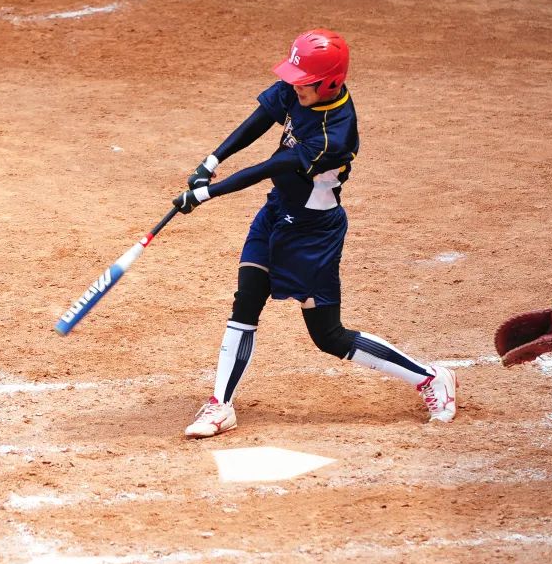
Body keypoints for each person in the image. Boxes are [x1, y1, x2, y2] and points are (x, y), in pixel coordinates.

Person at [172, 29, 457, 438]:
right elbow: (261, 119)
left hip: (312, 233)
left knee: (328, 336)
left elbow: (269, 167)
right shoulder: (301, 88)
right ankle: (221, 405)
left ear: (330, 83)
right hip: (278, 211)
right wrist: (211, 160)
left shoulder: (334, 135)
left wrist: (206, 193)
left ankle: (430, 377)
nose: (294, 86)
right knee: (247, 298)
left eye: (303, 82)